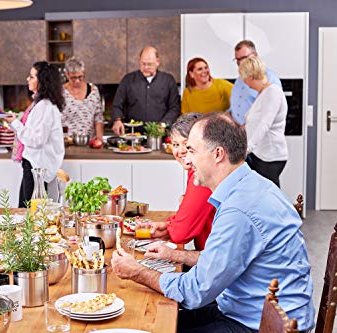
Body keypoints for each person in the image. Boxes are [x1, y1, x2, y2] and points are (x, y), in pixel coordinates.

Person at [111, 113, 314, 332]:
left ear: (218, 154)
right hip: (249, 310)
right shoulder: (253, 185)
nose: (188, 160)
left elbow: (195, 292)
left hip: (263, 325)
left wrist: (138, 272)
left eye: (192, 151)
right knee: (159, 320)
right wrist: (173, 255)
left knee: (151, 323)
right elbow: (217, 263)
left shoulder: (238, 209)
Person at [136, 113, 214, 251]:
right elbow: (191, 217)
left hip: (215, 263)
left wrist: (171, 227)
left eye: (187, 144)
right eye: (176, 144)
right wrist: (168, 226)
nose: (181, 151)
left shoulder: (202, 174)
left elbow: (181, 234)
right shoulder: (197, 170)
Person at [3, 61, 65, 208]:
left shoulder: (44, 106)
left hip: (36, 167)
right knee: (29, 210)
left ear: (42, 82)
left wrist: (15, 123)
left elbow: (37, 139)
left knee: (27, 213)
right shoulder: (40, 104)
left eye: (31, 77)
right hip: (35, 165)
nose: (27, 79)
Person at [239, 56, 288, 187]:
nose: (243, 82)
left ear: (250, 77)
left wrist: (248, 148)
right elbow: (254, 123)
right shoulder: (264, 93)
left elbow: (264, 124)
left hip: (270, 156)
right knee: (264, 196)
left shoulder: (273, 92)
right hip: (260, 154)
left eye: (243, 78)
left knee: (269, 197)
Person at [111, 46, 180, 136]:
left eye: (149, 64)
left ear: (157, 62)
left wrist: (163, 124)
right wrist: (117, 120)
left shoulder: (168, 80)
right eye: (143, 64)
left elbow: (174, 108)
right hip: (133, 135)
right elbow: (117, 104)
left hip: (159, 135)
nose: (146, 67)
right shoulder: (128, 79)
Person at [229, 40, 282, 126]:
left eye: (243, 58)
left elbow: (270, 115)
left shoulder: (271, 80)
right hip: (237, 134)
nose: (240, 63)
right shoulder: (238, 80)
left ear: (255, 56)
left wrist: (246, 128)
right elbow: (234, 108)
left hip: (254, 134)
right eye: (237, 59)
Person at [61, 57, 104, 140]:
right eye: (73, 78)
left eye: (80, 77)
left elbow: (98, 117)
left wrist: (99, 138)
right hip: (65, 142)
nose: (77, 81)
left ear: (84, 73)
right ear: (66, 74)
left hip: (89, 141)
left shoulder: (93, 91)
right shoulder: (60, 92)